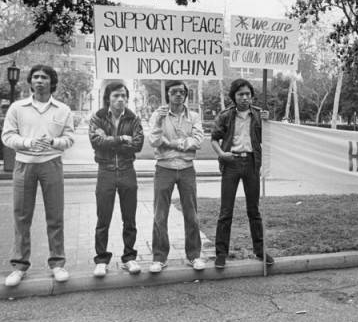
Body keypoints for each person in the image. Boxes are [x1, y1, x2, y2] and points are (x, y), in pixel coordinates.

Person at [2, 65, 75, 287]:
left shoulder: (63, 109)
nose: (39, 80)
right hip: (24, 164)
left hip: (51, 163)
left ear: (52, 82)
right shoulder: (18, 107)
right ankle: (19, 266)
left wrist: (54, 141)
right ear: (30, 81)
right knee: (21, 216)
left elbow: (70, 138)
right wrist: (27, 142)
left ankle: (57, 264)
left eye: (44, 77)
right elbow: (7, 136)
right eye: (35, 77)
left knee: (55, 215)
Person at [210, 79, 273, 268]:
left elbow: (268, 137)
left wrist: (268, 122)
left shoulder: (259, 115)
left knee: (254, 210)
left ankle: (260, 250)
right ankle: (221, 253)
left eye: (247, 94)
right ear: (234, 97)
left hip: (252, 163)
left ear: (251, 96)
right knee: (226, 211)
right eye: (240, 94)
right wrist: (222, 154)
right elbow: (214, 139)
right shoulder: (225, 115)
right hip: (231, 162)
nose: (245, 97)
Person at [148, 80, 206, 272]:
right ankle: (159, 257)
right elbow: (154, 141)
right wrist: (159, 122)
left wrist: (172, 144)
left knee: (191, 213)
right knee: (160, 214)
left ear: (186, 95)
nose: (178, 95)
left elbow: (198, 141)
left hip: (186, 167)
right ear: (168, 94)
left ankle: (194, 255)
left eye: (182, 92)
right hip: (164, 167)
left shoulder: (194, 116)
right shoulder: (158, 115)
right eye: (174, 92)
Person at [88, 82, 144, 277]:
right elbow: (97, 142)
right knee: (103, 218)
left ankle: (129, 257)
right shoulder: (98, 117)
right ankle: (101, 260)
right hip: (106, 171)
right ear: (108, 98)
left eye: (123, 95)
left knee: (129, 218)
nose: (120, 99)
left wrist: (110, 141)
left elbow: (137, 144)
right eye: (116, 96)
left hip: (128, 171)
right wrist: (122, 139)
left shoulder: (133, 118)